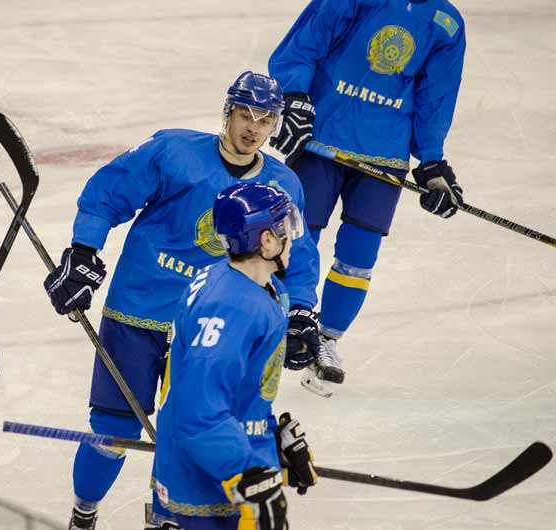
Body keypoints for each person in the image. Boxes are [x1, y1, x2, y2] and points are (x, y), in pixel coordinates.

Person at [42, 71, 321, 530]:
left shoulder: (282, 184)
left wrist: (301, 312)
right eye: (245, 115)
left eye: (266, 120)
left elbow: (300, 251)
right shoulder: (175, 151)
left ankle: (169, 515)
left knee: (191, 428)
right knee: (115, 432)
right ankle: (83, 512)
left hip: (211, 322)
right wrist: (83, 250)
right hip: (140, 309)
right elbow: (107, 192)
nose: (253, 128)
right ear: (227, 112)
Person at [268, 0, 467, 396]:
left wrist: (430, 161)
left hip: (385, 152)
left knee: (359, 258)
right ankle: (280, 327)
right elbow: (305, 44)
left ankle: (326, 341)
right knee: (293, 240)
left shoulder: (447, 22)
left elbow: (436, 96)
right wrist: (294, 95)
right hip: (323, 138)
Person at [151, 182, 318, 530]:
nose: (292, 236)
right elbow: (199, 411)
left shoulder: (236, 281)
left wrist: (267, 436)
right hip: (212, 482)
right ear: (267, 241)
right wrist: (245, 472)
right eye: (284, 227)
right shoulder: (231, 308)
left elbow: (234, 391)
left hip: (222, 459)